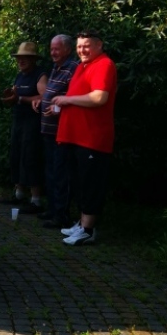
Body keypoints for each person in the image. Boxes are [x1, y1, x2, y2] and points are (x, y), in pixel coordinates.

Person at [52, 30, 117, 245]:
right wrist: (61, 105)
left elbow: (99, 97)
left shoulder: (104, 64)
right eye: (80, 46)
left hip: (92, 138)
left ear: (99, 45)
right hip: (75, 137)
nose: (82, 50)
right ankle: (81, 223)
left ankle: (88, 230)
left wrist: (68, 101)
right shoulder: (83, 66)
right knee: (79, 183)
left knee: (90, 185)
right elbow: (78, 98)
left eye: (86, 45)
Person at [34, 34, 78, 229]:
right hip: (48, 130)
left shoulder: (73, 68)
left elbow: (75, 96)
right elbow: (52, 93)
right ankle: (52, 209)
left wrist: (59, 108)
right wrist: (40, 100)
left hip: (62, 130)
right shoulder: (56, 67)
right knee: (51, 171)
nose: (52, 52)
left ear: (67, 50)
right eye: (51, 49)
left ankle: (62, 214)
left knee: (61, 173)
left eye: (56, 49)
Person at [1, 41, 48, 214]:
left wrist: (21, 100)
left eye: (25, 58)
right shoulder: (19, 76)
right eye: (19, 58)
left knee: (31, 156)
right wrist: (10, 99)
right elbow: (15, 96)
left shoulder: (40, 75)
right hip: (19, 119)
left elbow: (45, 97)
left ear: (33, 59)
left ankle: (35, 199)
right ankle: (19, 193)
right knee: (16, 153)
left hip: (33, 122)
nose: (21, 61)